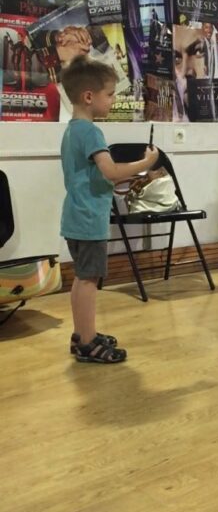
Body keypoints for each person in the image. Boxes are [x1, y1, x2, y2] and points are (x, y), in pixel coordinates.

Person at [60, 56, 159, 364]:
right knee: (89, 281)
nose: (113, 100)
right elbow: (110, 173)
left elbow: (97, 176)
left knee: (82, 278)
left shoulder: (73, 130)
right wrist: (146, 163)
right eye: (110, 94)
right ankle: (88, 343)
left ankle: (82, 335)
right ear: (89, 97)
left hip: (75, 217)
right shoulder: (90, 133)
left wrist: (129, 176)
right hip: (89, 220)